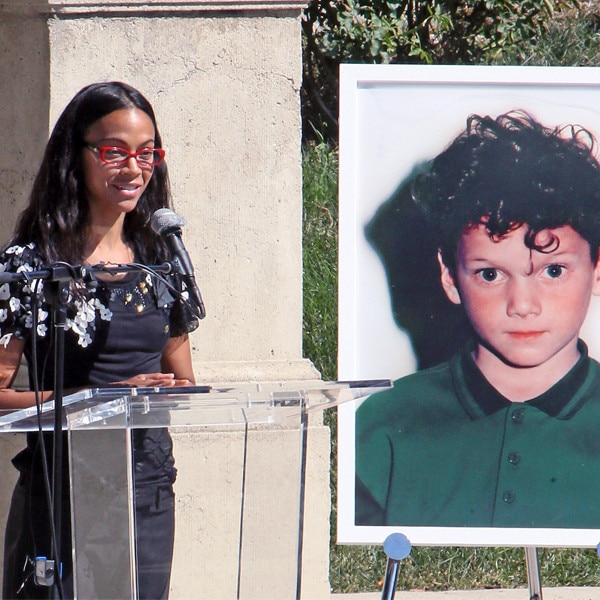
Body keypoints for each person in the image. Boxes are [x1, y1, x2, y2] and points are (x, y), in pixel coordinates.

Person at [0, 82, 200, 598]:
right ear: (76, 155)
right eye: (114, 152)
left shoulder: (162, 262)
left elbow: (183, 381)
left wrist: (166, 394)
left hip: (146, 487)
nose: (133, 168)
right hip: (64, 487)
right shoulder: (31, 268)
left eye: (147, 153)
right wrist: (101, 401)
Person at [355, 111, 600, 529]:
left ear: (597, 271)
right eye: (490, 274)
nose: (522, 305)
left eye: (553, 270)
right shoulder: (382, 425)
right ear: (450, 278)